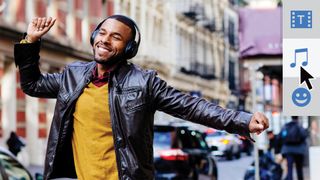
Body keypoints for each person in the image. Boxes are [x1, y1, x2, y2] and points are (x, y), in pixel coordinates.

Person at [14, 15, 269, 180]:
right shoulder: (73, 75)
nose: (105, 40)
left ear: (128, 49)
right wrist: (31, 42)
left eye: (116, 37)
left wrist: (241, 120)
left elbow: (190, 107)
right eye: (102, 33)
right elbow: (32, 85)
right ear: (94, 37)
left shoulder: (144, 82)